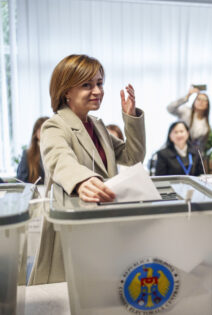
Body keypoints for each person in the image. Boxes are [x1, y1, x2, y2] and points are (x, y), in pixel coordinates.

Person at [29, 54, 146, 285]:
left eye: (99, 83)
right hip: (74, 231)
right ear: (66, 91)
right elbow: (59, 158)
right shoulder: (54, 125)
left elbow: (133, 157)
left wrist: (130, 116)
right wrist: (82, 181)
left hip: (102, 226)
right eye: (86, 85)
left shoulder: (98, 126)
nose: (97, 91)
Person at [167, 86, 211, 153]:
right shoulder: (186, 111)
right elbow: (170, 108)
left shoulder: (205, 125)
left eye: (204, 100)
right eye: (198, 99)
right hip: (173, 147)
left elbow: (200, 146)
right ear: (194, 102)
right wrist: (187, 96)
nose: (201, 102)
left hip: (189, 152)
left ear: (207, 104)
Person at [17, 116, 48, 184]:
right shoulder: (27, 155)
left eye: (49, 130)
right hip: (35, 193)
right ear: (36, 133)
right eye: (43, 130)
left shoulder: (59, 152)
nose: (47, 134)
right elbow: (21, 182)